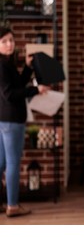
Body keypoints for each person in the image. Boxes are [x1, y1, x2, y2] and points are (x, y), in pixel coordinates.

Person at [0, 26, 51, 217]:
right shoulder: (2, 65)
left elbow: (17, 85)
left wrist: (28, 68)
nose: (9, 44)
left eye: (11, 40)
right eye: (4, 41)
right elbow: (10, 94)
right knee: (12, 163)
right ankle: (12, 205)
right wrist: (36, 90)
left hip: (4, 120)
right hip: (12, 120)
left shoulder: (7, 63)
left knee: (2, 163)